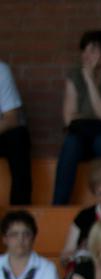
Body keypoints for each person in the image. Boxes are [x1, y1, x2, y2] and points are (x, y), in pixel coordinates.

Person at [53, 30, 101, 205]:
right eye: (84, 50)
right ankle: (58, 205)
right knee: (71, 141)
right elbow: (69, 119)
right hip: (81, 135)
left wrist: (89, 80)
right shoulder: (74, 75)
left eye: (93, 51)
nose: (86, 56)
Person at [0, 59, 32, 205]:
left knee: (18, 136)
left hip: (3, 131)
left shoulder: (1, 70)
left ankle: (19, 212)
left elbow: (12, 119)